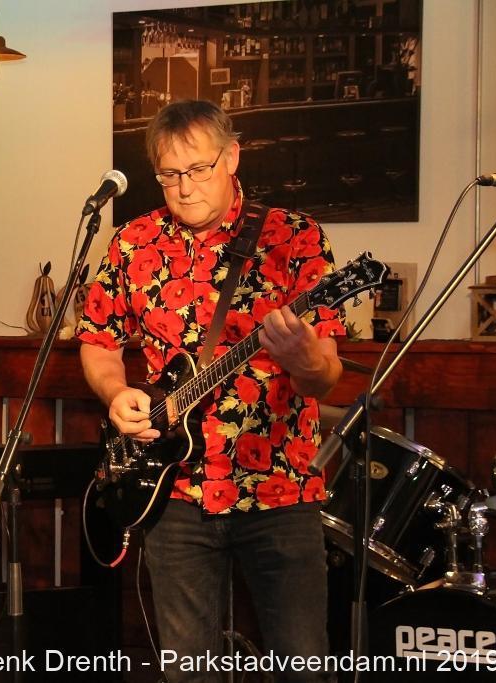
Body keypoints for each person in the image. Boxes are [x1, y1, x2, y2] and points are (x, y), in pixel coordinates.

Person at [77, 99, 345, 682]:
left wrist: (302, 359)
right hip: (171, 492)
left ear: (231, 157)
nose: (184, 187)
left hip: (279, 491)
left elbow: (326, 374)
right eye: (169, 174)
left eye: (198, 169)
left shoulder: (293, 238)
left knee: (302, 666)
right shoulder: (132, 242)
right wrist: (115, 393)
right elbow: (98, 342)